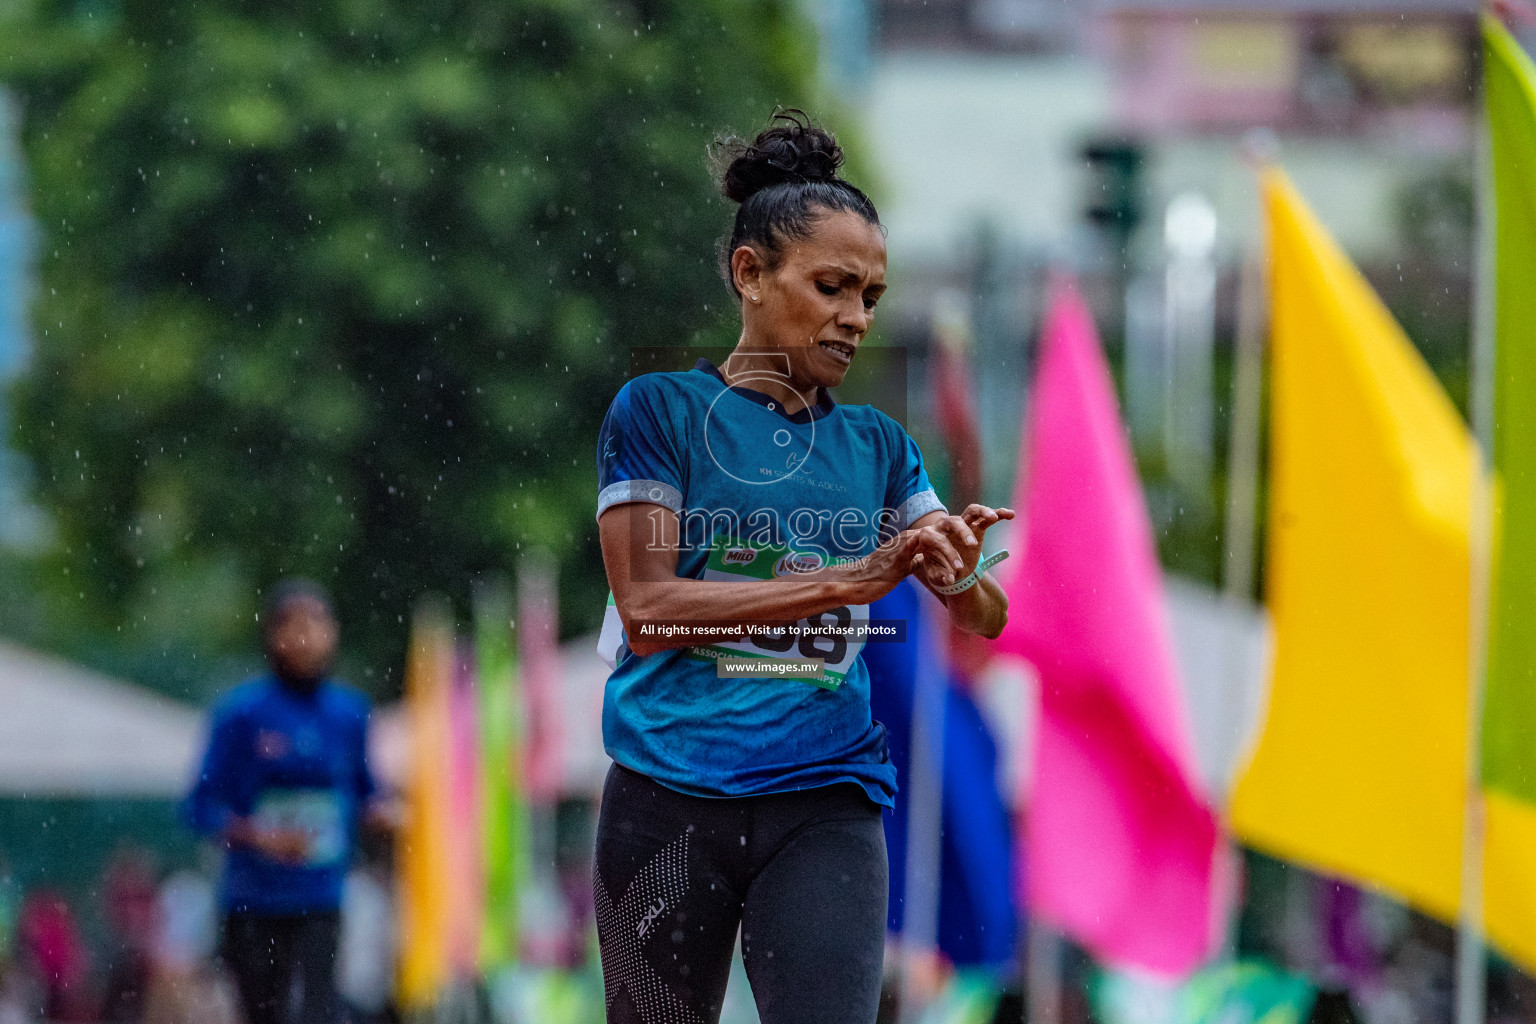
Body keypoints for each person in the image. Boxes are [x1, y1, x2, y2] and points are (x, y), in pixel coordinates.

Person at [592, 110, 1013, 1024]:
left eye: (870, 295)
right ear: (750, 273)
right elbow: (648, 609)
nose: (856, 317)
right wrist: (843, 583)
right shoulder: (658, 410)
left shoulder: (878, 446)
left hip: (826, 805)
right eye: (832, 287)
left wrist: (961, 570)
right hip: (666, 798)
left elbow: (986, 616)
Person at [185, 580, 385, 1024]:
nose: (306, 636)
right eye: (294, 624)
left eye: (318, 623)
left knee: (317, 1011)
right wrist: (258, 836)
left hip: (321, 898)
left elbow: (369, 792)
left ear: (334, 632)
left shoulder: (350, 715)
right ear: (272, 634)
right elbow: (198, 807)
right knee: (264, 1012)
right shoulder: (241, 714)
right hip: (254, 902)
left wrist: (393, 814)